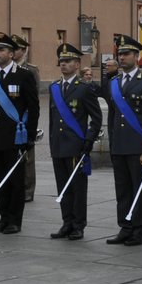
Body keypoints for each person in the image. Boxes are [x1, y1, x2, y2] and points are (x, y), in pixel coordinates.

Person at [104, 34, 142, 246]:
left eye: (126, 54)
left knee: (139, 189)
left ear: (136, 56)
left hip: (139, 145)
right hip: (120, 144)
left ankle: (140, 229)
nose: (122, 58)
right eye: (119, 54)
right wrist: (112, 141)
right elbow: (112, 116)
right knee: (122, 189)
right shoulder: (114, 82)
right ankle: (125, 227)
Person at [0, 32, 40, 234]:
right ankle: (3, 218)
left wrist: (29, 137)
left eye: (1, 50)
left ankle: (15, 220)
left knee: (15, 181)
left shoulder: (24, 76)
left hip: (15, 137)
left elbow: (33, 107)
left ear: (12, 53)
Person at [43, 41, 100, 241]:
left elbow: (96, 117)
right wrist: (51, 141)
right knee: (63, 187)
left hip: (76, 145)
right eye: (61, 61)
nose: (64, 64)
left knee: (77, 188)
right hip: (58, 145)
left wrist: (89, 140)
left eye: (68, 61)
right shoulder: (54, 88)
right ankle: (66, 222)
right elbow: (52, 119)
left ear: (77, 64)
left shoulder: (84, 88)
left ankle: (78, 225)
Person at [12, 35, 40, 201]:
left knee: (28, 158)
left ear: (23, 51)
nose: (13, 52)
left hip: (25, 118)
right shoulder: (9, 69)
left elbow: (34, 97)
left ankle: (28, 190)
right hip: (11, 118)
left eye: (16, 49)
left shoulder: (31, 70)